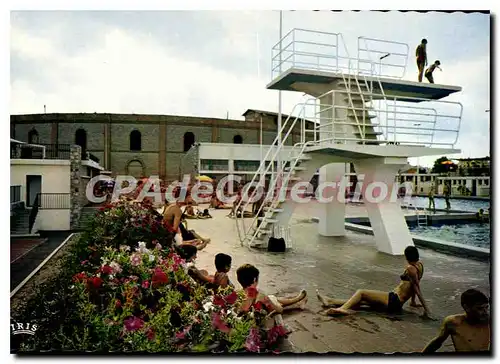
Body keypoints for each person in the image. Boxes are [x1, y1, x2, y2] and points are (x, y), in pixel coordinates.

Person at [317, 246, 433, 318]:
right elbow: (414, 285)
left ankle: (342, 309)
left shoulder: (410, 268)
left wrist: (426, 310)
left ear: (407, 257)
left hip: (394, 300)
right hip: (393, 300)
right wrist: (412, 302)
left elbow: (416, 288)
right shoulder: (419, 265)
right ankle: (330, 301)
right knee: (360, 301)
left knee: (361, 292)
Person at [422, 289, 490, 352]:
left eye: (486, 307)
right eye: (480, 308)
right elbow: (437, 342)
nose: (485, 312)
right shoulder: (453, 323)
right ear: (466, 307)